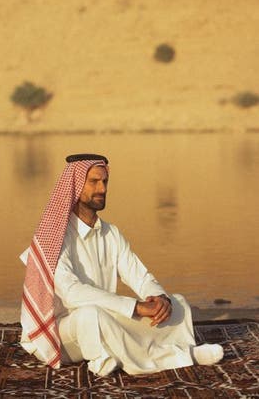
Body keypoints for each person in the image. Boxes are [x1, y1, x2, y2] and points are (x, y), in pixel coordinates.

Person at [20, 154, 223, 376]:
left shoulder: (111, 233)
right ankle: (184, 356)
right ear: (75, 186)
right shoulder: (54, 237)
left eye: (105, 182)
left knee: (179, 304)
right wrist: (135, 307)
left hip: (103, 319)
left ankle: (119, 354)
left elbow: (139, 275)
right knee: (91, 314)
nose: (102, 189)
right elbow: (72, 294)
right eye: (94, 182)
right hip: (58, 333)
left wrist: (159, 299)